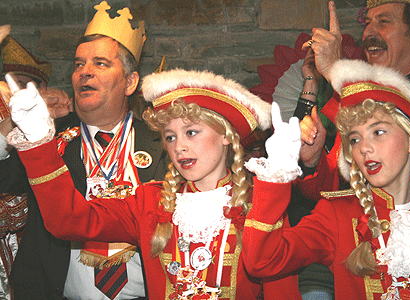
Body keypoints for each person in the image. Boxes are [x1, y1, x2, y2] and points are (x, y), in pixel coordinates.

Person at [5, 66, 302, 299]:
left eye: (192, 132)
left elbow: (281, 291)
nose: (179, 147)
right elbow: (69, 221)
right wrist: (38, 143)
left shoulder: (261, 203)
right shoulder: (149, 202)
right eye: (170, 137)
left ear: (225, 135)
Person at [243, 59, 410, 299]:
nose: (364, 148)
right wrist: (276, 173)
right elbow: (262, 261)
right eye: (354, 139)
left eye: (378, 132)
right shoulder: (336, 216)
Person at [0, 2, 167, 299]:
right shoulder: (47, 142)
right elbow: (3, 177)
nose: (84, 73)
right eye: (78, 64)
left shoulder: (166, 144)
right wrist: (11, 128)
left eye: (100, 63)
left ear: (130, 82)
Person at [296, 0, 410, 201]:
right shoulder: (353, 94)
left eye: (384, 22)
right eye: (367, 23)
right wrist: (311, 161)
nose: (368, 32)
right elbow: (327, 197)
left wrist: (336, 69)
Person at [0, 25, 72, 300]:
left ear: (42, 88)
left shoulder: (66, 124)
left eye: (23, 84)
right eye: (9, 83)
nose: (14, 92)